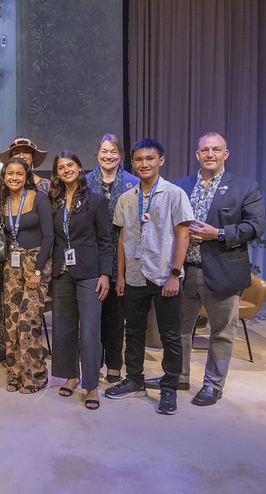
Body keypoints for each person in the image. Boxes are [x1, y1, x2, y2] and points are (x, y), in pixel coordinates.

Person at [145, 133, 264, 406]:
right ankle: (178, 376)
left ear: (225, 154)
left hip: (224, 272)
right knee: (178, 330)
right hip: (183, 272)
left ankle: (213, 384)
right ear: (197, 154)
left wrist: (218, 233)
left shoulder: (244, 187)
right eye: (205, 150)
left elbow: (255, 226)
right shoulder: (180, 186)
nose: (210, 154)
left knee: (221, 332)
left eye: (216, 150)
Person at [105, 139, 194, 415]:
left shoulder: (174, 194)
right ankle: (135, 380)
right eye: (139, 159)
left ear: (161, 161)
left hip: (164, 275)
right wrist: (120, 276)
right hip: (134, 276)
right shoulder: (126, 197)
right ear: (132, 162)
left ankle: (169, 387)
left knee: (170, 335)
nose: (144, 164)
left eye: (150, 159)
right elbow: (123, 238)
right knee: (133, 331)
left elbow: (183, 234)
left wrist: (175, 274)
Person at [48, 151, 112, 410]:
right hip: (62, 273)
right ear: (57, 173)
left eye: (70, 165)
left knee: (89, 331)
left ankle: (91, 384)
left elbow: (105, 241)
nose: (66, 170)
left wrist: (105, 274)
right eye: (61, 167)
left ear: (79, 167)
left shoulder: (96, 201)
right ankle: (71, 376)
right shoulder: (53, 201)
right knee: (63, 328)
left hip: (89, 273)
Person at [0, 157, 53, 393]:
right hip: (11, 265)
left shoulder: (39, 199)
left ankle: (35, 377)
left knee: (27, 322)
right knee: (12, 323)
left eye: (19, 174)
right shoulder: (2, 202)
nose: (14, 178)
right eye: (10, 173)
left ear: (27, 176)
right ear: (4, 177)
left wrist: (37, 271)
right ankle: (15, 375)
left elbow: (49, 237)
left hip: (35, 264)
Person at [86, 134, 140, 383]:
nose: (109, 156)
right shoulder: (85, 181)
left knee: (116, 316)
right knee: (92, 315)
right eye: (104, 151)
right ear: (97, 154)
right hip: (91, 257)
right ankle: (93, 362)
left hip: (122, 257)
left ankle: (115, 364)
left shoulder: (133, 183)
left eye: (113, 152)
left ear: (121, 156)